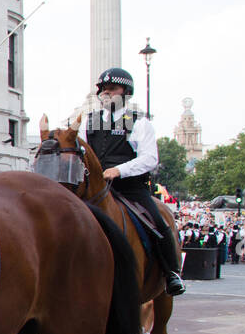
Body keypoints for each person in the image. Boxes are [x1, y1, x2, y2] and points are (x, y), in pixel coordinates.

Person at [80, 67, 186, 295]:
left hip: (129, 188)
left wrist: (118, 170)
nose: (106, 94)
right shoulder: (89, 122)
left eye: (112, 89)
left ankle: (171, 273)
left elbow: (150, 158)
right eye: (103, 90)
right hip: (97, 188)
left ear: (126, 92)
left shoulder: (139, 123)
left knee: (158, 222)